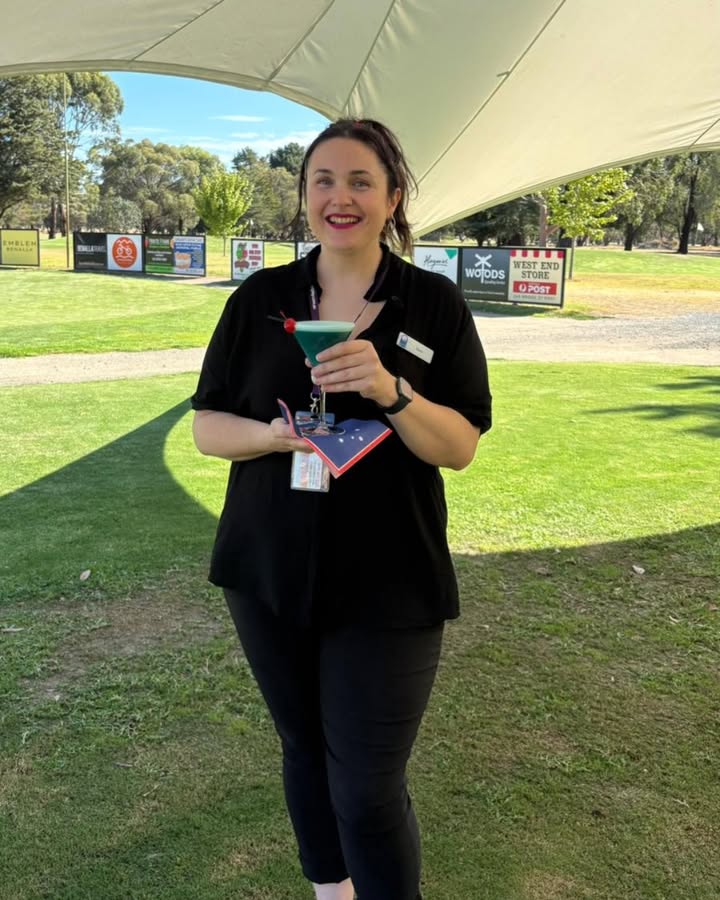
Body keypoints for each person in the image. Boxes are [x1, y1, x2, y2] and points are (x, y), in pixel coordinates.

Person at [190, 118, 492, 900]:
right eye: (323, 179)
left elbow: (458, 447)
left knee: (365, 786)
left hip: (390, 578)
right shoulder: (262, 299)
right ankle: (331, 891)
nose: (340, 197)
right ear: (303, 196)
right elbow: (206, 427)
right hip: (268, 569)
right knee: (302, 748)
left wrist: (392, 390)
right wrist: (271, 437)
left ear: (393, 199)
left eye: (361, 181)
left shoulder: (431, 305)